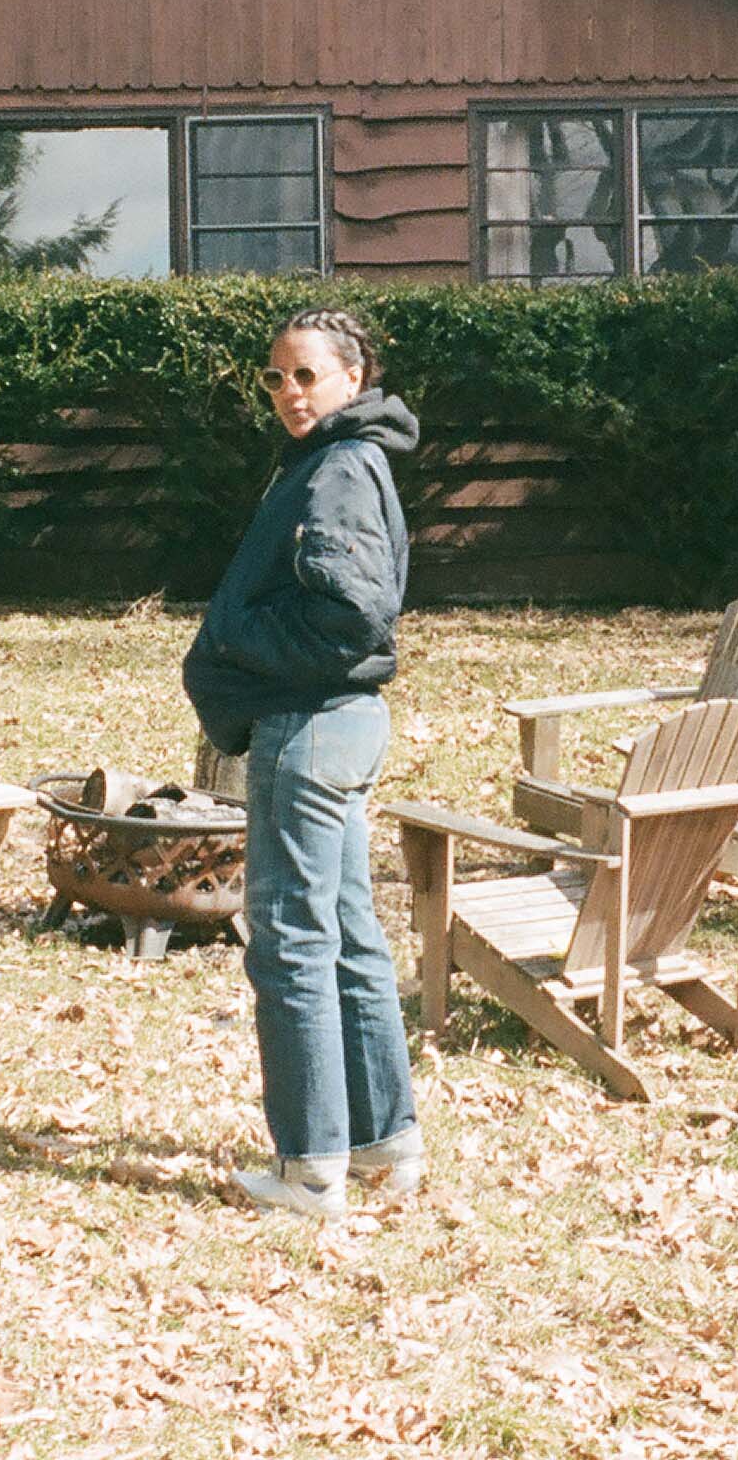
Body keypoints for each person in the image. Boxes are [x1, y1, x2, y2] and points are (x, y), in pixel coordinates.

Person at [181, 306, 421, 1220]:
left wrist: (235, 641)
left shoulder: (339, 468)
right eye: (276, 377)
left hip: (311, 728)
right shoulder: (336, 460)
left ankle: (311, 1169)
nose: (289, 392)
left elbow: (351, 617)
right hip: (339, 727)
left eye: (307, 375)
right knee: (350, 935)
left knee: (289, 944)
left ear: (354, 379)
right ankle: (383, 1143)